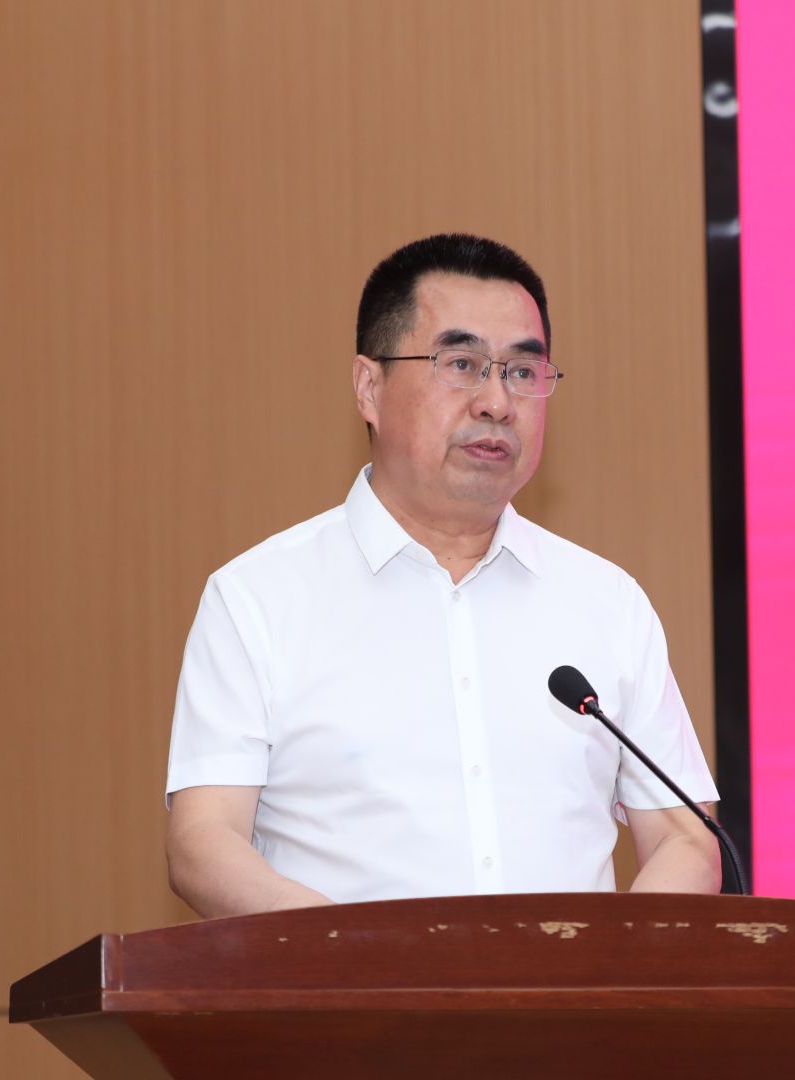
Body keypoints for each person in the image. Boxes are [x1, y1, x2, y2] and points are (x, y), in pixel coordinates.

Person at [165, 233, 718, 918]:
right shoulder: (259, 598)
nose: (497, 402)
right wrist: (355, 959)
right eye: (462, 364)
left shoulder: (606, 602)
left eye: (522, 371)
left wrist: (609, 967)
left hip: (570, 991)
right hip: (345, 987)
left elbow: (687, 837)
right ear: (369, 387)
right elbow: (203, 842)